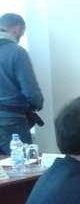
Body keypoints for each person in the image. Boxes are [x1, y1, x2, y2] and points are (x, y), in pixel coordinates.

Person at [0, 13, 43, 154]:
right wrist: (37, 104)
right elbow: (31, 92)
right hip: (12, 121)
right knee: (25, 164)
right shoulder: (17, 52)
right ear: (17, 29)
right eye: (22, 33)